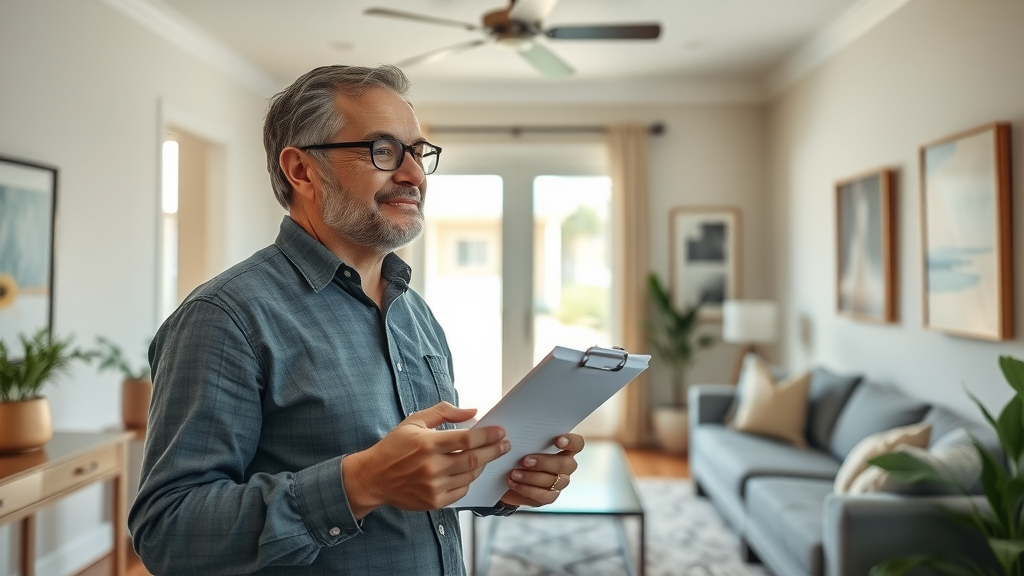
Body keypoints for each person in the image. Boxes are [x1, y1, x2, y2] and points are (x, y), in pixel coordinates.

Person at [128, 64, 585, 575]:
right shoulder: (225, 318)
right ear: (302, 171)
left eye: (418, 153)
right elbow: (167, 532)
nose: (413, 175)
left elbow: (421, 481)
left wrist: (501, 480)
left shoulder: (414, 310)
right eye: (383, 151)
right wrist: (360, 482)